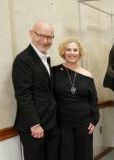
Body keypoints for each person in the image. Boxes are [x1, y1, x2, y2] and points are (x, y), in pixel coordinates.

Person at [12, 20, 59, 160]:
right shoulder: (23, 59)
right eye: (41, 35)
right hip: (34, 127)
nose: (45, 41)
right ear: (31, 33)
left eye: (49, 37)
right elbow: (23, 94)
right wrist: (34, 124)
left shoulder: (46, 58)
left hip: (51, 124)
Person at [52, 38, 100, 160]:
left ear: (79, 52)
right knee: (65, 156)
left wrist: (94, 120)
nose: (72, 53)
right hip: (63, 124)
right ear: (63, 51)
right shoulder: (55, 72)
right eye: (68, 49)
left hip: (84, 123)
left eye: (75, 50)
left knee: (84, 156)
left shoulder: (87, 75)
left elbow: (93, 99)